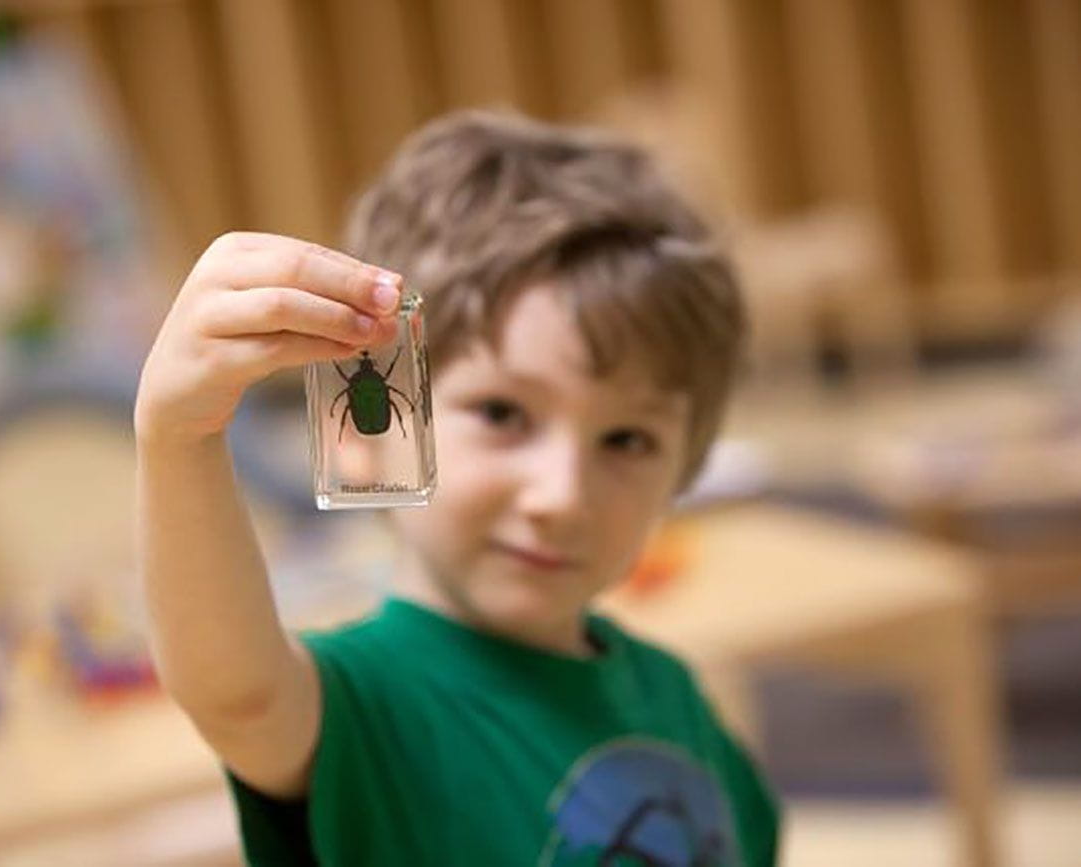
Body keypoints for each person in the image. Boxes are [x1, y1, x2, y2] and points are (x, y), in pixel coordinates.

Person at [135, 108, 780, 866]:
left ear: (686, 465)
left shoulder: (674, 697)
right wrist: (178, 438)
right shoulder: (371, 702)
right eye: (503, 413)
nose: (560, 495)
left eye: (626, 439)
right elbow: (237, 693)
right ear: (365, 439)